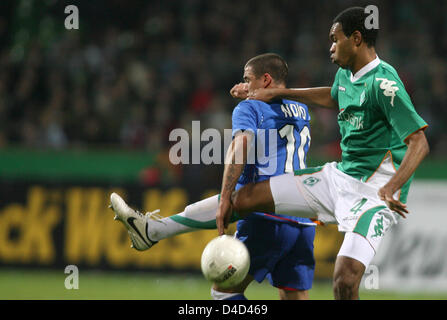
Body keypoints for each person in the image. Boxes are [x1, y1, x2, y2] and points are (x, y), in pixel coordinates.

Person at [216, 7, 430, 300]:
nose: (330, 46)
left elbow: (419, 142)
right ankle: (159, 229)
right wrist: (278, 93)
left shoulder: (384, 84)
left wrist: (392, 186)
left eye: (334, 38)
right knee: (244, 198)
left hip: (374, 193)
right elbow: (333, 96)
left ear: (356, 38)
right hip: (341, 177)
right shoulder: (346, 74)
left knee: (344, 280)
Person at [110, 53, 316, 300]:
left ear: (266, 79)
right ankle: (153, 230)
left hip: (265, 214)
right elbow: (276, 106)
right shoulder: (301, 110)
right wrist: (254, 91)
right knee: (294, 294)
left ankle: (152, 231)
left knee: (224, 294)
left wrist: (225, 197)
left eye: (247, 79)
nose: (243, 84)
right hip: (302, 219)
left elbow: (240, 148)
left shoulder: (249, 108)